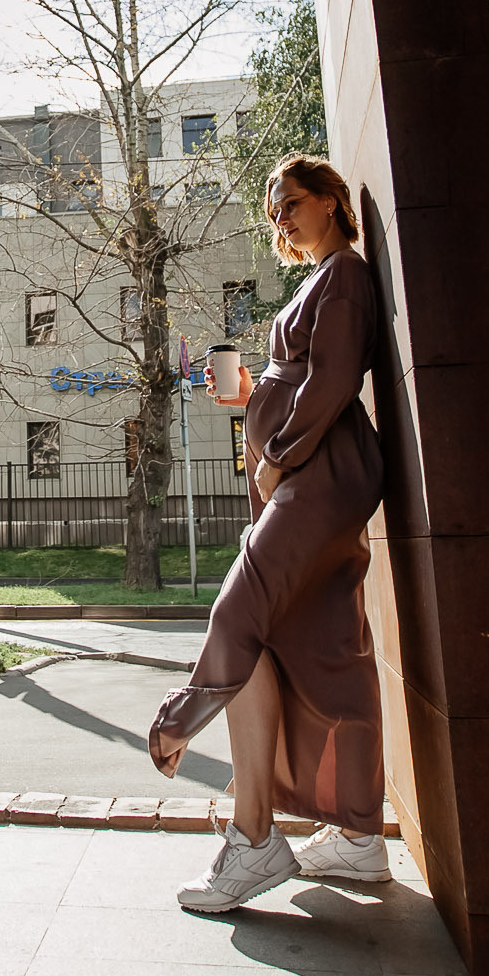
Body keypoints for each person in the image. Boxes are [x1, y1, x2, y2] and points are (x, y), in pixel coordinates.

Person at [151, 154, 390, 910]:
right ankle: (358, 836)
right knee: (327, 645)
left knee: (238, 608)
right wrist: (257, 397)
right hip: (314, 475)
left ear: (329, 200)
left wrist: (277, 457)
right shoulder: (324, 279)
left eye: (289, 202)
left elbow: (333, 379)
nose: (279, 217)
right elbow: (306, 378)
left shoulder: (343, 275)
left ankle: (227, 799)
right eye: (273, 210)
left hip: (315, 477)